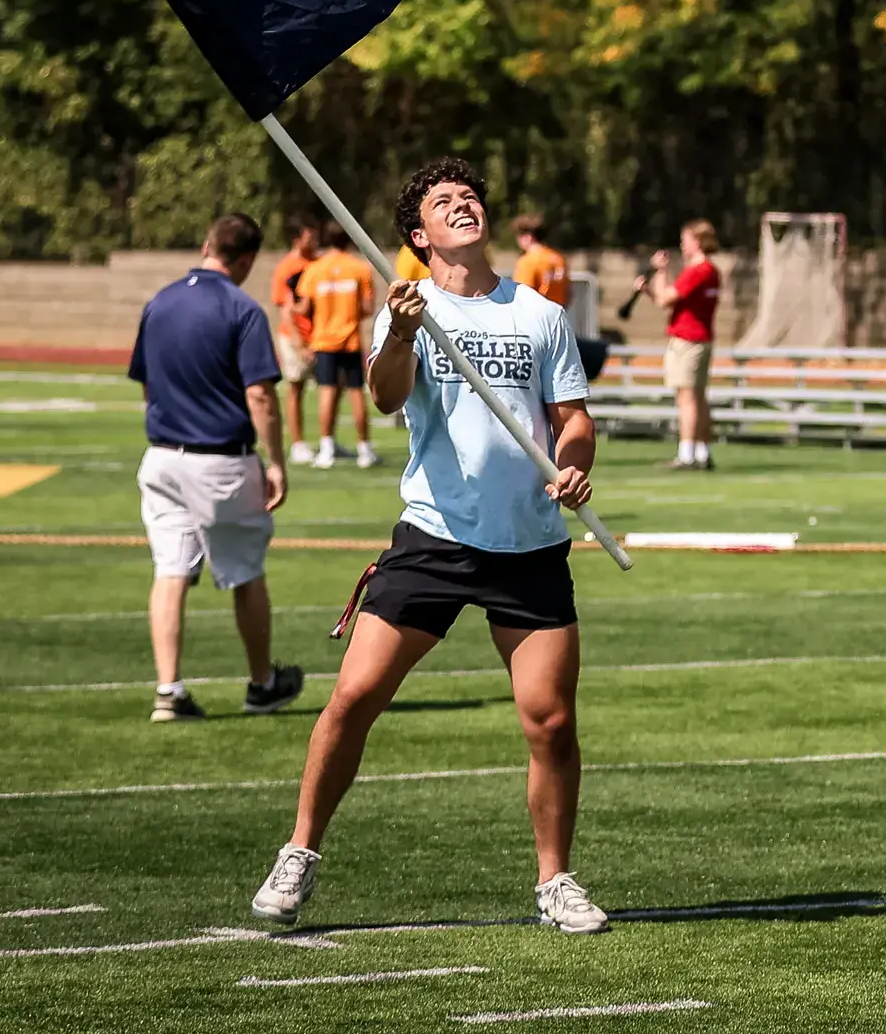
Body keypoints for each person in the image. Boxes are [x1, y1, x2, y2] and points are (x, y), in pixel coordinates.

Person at [250, 155, 605, 934]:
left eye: (470, 196)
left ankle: (556, 881)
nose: (463, 205)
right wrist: (403, 334)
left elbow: (573, 423)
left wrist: (574, 471)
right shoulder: (407, 309)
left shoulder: (539, 315)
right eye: (445, 202)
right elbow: (383, 398)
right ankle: (300, 852)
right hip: (434, 538)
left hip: (530, 545)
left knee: (550, 721)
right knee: (353, 697)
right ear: (420, 234)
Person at [128, 214, 304, 723]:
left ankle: (168, 689)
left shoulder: (159, 300)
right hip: (220, 461)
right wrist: (276, 463)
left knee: (169, 571)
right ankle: (261, 684)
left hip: (161, 457)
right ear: (247, 259)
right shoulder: (242, 309)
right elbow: (260, 395)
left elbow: (146, 383)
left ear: (207, 245)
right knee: (246, 574)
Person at [298, 221, 378, 468]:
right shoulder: (360, 269)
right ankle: (364, 449)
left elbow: (304, 307)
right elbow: (367, 308)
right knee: (356, 393)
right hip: (351, 340)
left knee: (326, 391)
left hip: (323, 340)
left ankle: (326, 447)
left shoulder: (315, 269)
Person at [656, 220, 721, 470]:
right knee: (699, 397)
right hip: (702, 338)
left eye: (687, 239)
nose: (683, 244)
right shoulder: (712, 271)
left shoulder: (697, 271)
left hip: (688, 340)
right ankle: (703, 452)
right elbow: (676, 303)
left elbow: (665, 299)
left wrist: (661, 271)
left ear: (697, 241)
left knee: (687, 398)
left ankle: (687, 454)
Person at [267, 217, 320, 461]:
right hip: (295, 336)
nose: (315, 240)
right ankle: (298, 443)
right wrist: (299, 343)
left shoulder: (320, 264)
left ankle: (327, 441)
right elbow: (286, 309)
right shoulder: (287, 267)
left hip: (320, 336)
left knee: (331, 387)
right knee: (296, 387)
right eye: (310, 236)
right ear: (297, 239)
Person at [513, 212, 572, 320]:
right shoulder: (558, 258)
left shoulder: (527, 261)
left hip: (535, 319)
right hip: (558, 318)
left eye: (519, 235)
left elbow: (522, 296)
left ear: (528, 237)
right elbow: (568, 293)